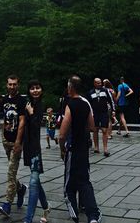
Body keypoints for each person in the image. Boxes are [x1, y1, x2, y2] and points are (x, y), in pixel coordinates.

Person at [56, 75, 101, 223]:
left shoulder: (70, 105)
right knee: (84, 182)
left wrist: (62, 149)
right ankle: (93, 216)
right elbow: (92, 126)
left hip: (72, 148)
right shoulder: (86, 102)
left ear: (70, 87)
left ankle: (74, 215)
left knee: (68, 187)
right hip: (83, 148)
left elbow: (62, 134)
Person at [0, 75, 27, 218]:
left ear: (18, 85)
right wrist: (2, 136)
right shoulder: (4, 99)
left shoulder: (21, 100)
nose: (12, 87)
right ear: (6, 85)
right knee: (12, 172)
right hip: (6, 139)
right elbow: (2, 118)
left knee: (10, 172)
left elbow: (22, 122)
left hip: (16, 141)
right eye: (10, 84)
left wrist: (18, 142)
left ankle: (7, 204)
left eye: (14, 84)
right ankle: (20, 189)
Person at [22, 79, 50, 223]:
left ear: (42, 90)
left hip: (35, 148)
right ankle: (46, 207)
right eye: (32, 88)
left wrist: (31, 113)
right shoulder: (28, 104)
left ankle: (28, 219)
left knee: (33, 183)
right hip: (27, 147)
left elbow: (35, 125)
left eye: (38, 88)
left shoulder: (38, 106)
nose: (35, 90)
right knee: (36, 181)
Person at [87, 78, 112, 156]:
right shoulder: (90, 92)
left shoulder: (105, 91)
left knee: (104, 130)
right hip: (95, 113)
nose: (100, 84)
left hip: (104, 112)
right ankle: (96, 147)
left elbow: (110, 100)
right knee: (95, 130)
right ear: (94, 83)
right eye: (98, 83)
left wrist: (113, 110)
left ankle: (105, 148)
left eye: (100, 83)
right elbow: (88, 104)